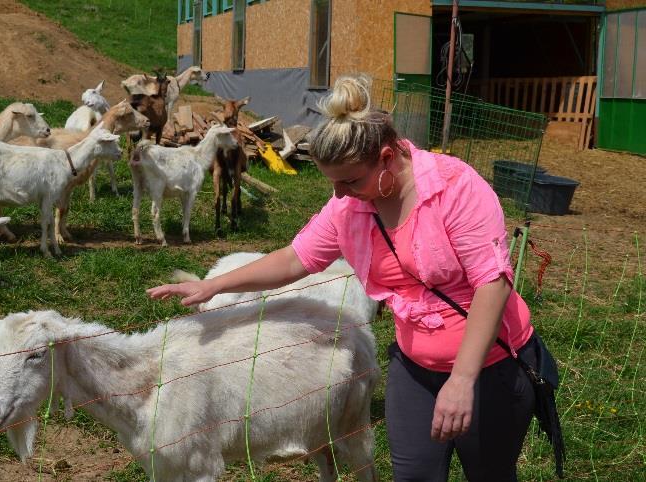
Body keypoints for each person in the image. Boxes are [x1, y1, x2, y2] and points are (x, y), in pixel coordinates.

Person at [147, 75, 537, 481]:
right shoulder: (349, 206)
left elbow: (492, 283)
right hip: (416, 365)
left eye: (350, 180)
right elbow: (295, 259)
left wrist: (462, 379)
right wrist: (213, 286)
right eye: (331, 183)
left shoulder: (455, 189)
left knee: (490, 473)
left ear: (387, 158)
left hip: (489, 365)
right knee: (414, 475)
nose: (338, 195)